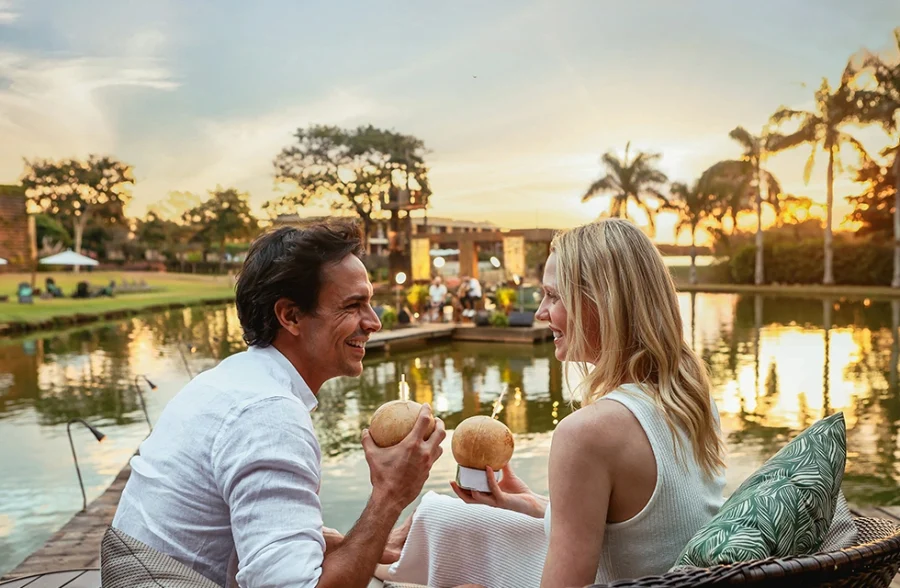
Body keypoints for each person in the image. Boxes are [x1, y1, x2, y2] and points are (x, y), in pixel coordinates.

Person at [382, 218, 726, 588]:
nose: (539, 312)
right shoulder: (692, 396)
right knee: (441, 517)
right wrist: (532, 504)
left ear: (603, 304)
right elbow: (646, 532)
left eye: (553, 296)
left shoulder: (587, 433)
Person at [109, 221, 447, 588]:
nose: (374, 322)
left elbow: (256, 524)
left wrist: (354, 542)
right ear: (290, 316)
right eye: (353, 305)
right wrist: (391, 495)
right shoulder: (268, 416)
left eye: (370, 302)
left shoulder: (227, 381)